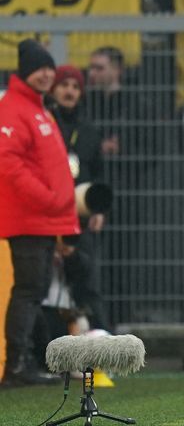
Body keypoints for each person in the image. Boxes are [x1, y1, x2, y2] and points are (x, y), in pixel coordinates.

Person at [0, 39, 79, 387]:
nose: (48, 74)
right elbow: (8, 161)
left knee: (34, 289)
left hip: (44, 217)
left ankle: (25, 361)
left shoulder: (34, 107)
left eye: (50, 67)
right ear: (25, 71)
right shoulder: (16, 108)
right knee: (29, 290)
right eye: (41, 67)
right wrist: (47, 197)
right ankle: (17, 365)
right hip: (31, 217)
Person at [46, 65, 111, 333]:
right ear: (53, 90)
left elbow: (98, 172)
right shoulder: (44, 123)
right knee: (45, 285)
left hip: (79, 215)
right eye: (64, 85)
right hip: (48, 212)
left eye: (75, 87)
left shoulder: (88, 129)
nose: (69, 91)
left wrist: (99, 210)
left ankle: (100, 345)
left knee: (86, 281)